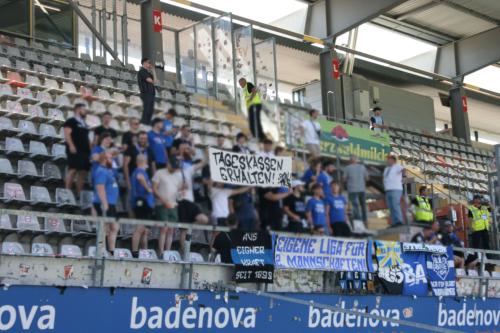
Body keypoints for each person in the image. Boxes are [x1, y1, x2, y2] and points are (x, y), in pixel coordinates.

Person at [152, 156, 184, 254]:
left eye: (175, 167)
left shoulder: (178, 175)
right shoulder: (159, 173)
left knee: (171, 229)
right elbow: (154, 189)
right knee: (164, 228)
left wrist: (180, 195)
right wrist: (163, 201)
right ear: (168, 164)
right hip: (161, 204)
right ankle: (161, 252)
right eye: (172, 166)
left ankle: (168, 252)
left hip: (173, 204)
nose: (174, 169)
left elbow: (179, 189)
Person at [92, 152, 120, 255]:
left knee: (114, 227)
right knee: (104, 227)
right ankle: (102, 250)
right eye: (110, 158)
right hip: (104, 203)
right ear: (104, 159)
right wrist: (105, 203)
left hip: (111, 203)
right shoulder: (101, 171)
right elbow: (100, 188)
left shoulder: (109, 170)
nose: (112, 160)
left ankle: (111, 251)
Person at [130, 154, 154, 258]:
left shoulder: (142, 171)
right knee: (140, 228)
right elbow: (140, 178)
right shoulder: (140, 171)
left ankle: (144, 252)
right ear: (144, 161)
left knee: (145, 230)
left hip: (146, 203)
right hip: (141, 202)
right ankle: (134, 252)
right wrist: (147, 188)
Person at [64, 103, 91, 196]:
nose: (85, 111)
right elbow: (67, 134)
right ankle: (67, 192)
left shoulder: (84, 123)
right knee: (73, 170)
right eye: (84, 109)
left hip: (85, 151)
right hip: (75, 150)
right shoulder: (71, 121)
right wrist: (71, 145)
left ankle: (79, 193)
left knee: (83, 172)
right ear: (78, 109)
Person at [343, 154, 369, 224]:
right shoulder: (362, 167)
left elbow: (344, 179)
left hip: (352, 189)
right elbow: (367, 178)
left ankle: (358, 221)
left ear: (350, 160)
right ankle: (365, 220)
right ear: (357, 160)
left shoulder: (347, 168)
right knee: (363, 205)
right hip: (361, 189)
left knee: (355, 206)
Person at [383, 154, 405, 227]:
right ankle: (394, 222)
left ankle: (399, 221)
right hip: (388, 190)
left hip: (396, 189)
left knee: (395, 205)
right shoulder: (386, 168)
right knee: (391, 207)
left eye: (389, 159)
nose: (387, 160)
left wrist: (403, 177)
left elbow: (403, 170)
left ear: (393, 160)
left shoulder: (397, 166)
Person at [138, 57, 156, 125]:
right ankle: (143, 123)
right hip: (146, 93)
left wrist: (153, 71)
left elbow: (155, 81)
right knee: (146, 109)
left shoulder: (148, 73)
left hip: (151, 93)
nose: (149, 64)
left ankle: (147, 123)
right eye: (148, 62)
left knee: (150, 110)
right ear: (144, 63)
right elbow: (150, 81)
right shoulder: (142, 71)